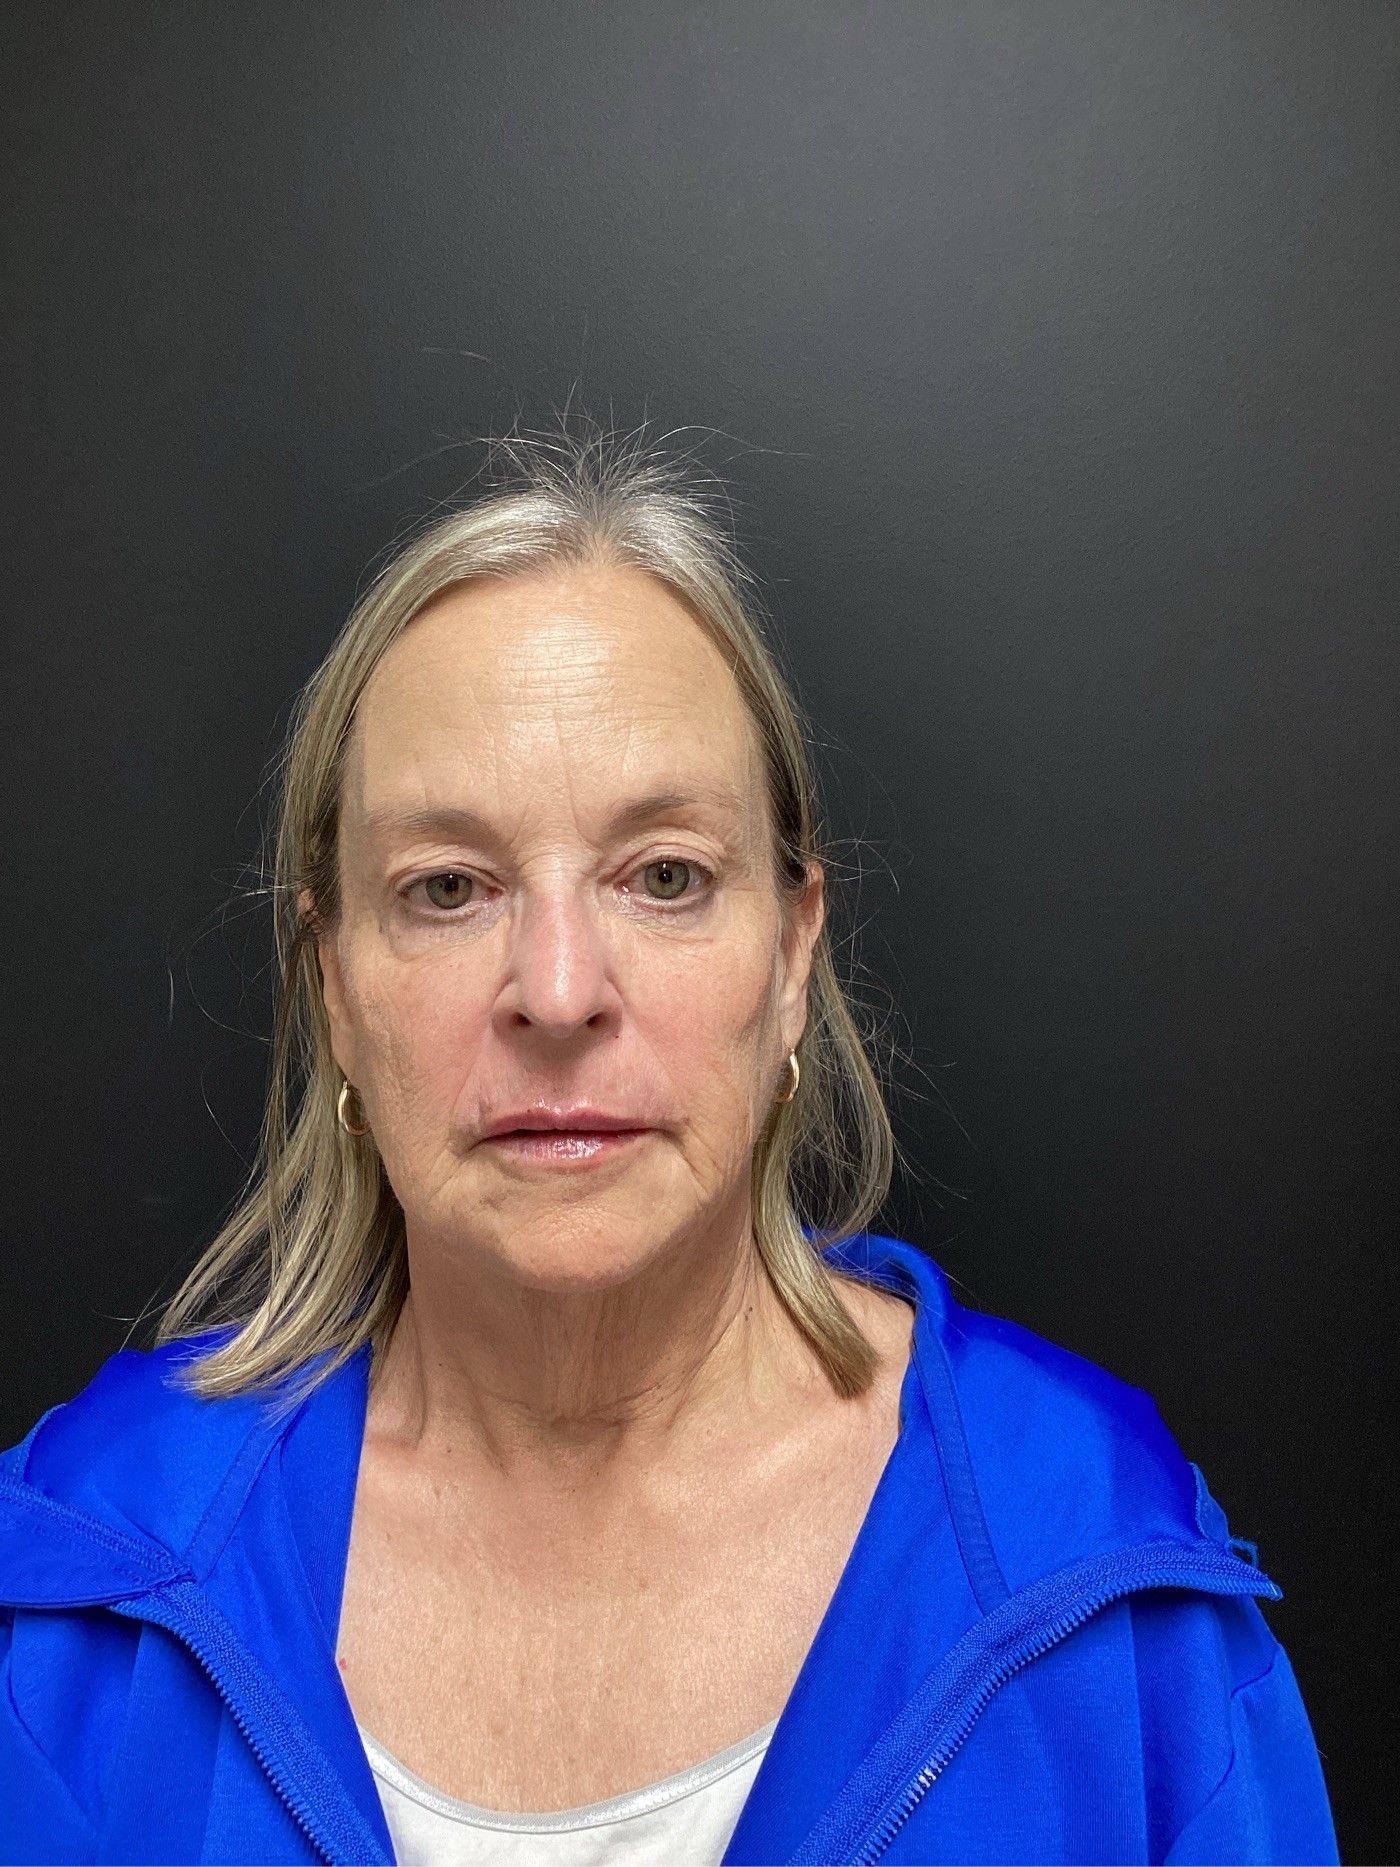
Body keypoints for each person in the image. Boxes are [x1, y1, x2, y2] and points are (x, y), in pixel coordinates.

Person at [0, 420, 1339, 1865]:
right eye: (447, 887)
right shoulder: (80, 1588)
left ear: (793, 957)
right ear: (333, 985)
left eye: (665, 877)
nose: (558, 990)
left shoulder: (1104, 1583)